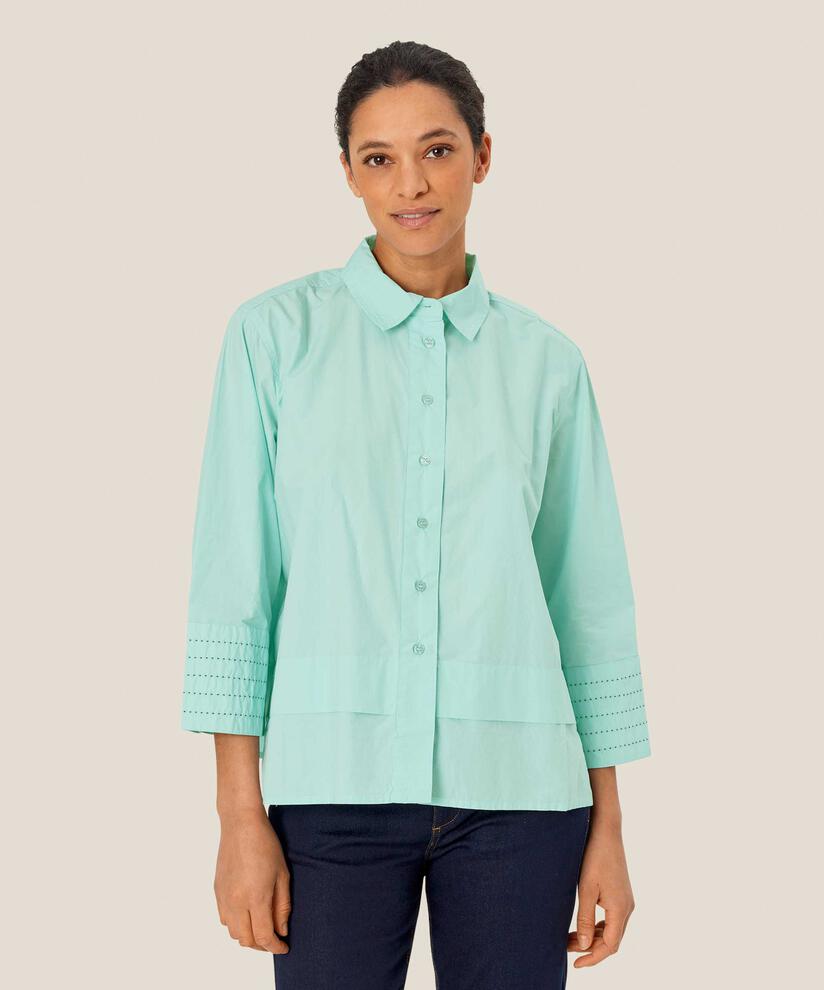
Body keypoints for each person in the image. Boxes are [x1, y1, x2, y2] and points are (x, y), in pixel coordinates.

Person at [180, 39, 652, 989]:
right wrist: (239, 816)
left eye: (437, 150)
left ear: (483, 154)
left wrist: (609, 825)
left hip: (524, 798)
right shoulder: (274, 339)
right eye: (379, 158)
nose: (411, 185)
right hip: (329, 791)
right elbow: (237, 585)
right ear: (348, 173)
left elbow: (586, 605)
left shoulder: (547, 364)